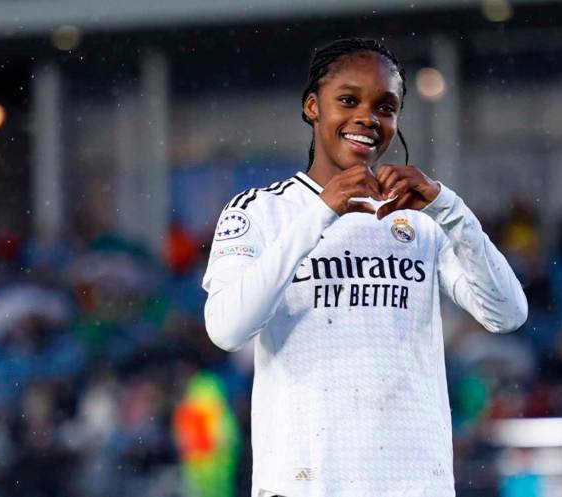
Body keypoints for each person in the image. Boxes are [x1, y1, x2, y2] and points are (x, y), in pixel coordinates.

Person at [201, 37, 528, 497]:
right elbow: (227, 329)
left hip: (412, 485)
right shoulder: (259, 212)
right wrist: (321, 211)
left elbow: (507, 314)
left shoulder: (420, 218)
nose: (367, 118)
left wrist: (450, 208)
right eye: (348, 100)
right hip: (303, 484)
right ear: (313, 106)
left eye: (385, 107)